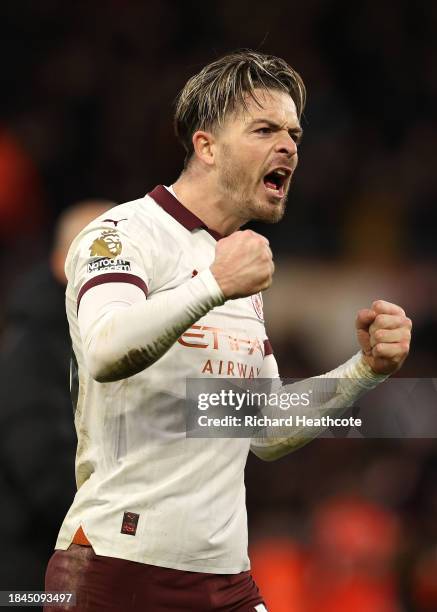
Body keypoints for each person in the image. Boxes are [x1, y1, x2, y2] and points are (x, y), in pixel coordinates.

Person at [45, 51, 411, 611]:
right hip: (115, 570)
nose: (289, 145)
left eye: (293, 132)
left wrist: (364, 370)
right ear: (206, 147)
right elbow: (103, 348)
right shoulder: (121, 235)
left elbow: (262, 430)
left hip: (225, 577)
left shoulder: (236, 265)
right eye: (264, 129)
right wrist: (212, 284)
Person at [0, 199, 113, 591]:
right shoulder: (35, 348)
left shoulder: (96, 340)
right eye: (108, 252)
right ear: (64, 260)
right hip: (31, 570)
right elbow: (42, 466)